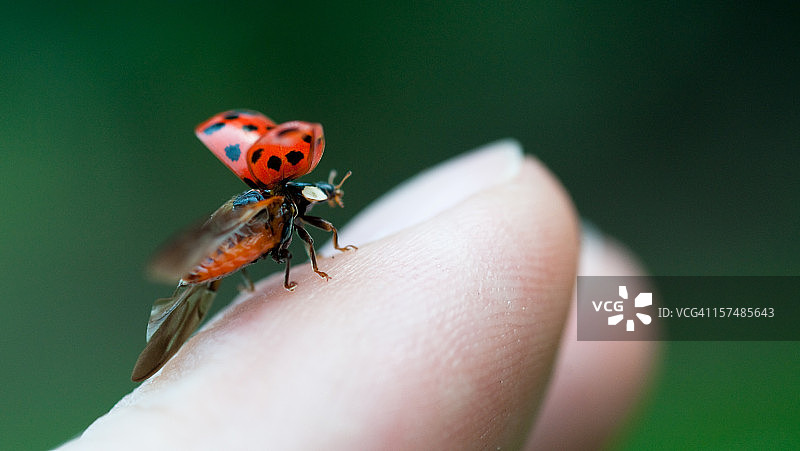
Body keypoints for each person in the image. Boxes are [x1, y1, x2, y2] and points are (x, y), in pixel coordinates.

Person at [58, 141, 657, 450]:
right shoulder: (275, 205)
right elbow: (266, 238)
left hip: (223, 261)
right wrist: (302, 267)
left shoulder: (287, 205)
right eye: (323, 196)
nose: (324, 202)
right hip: (218, 261)